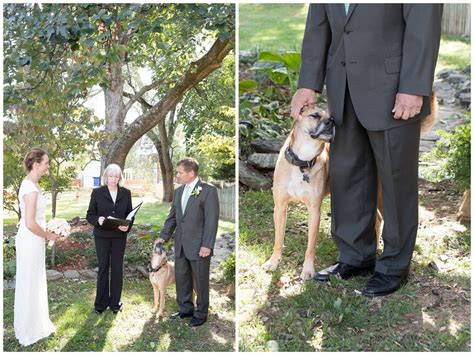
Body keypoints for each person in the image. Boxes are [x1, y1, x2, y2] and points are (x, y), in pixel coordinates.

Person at [292, 4, 443, 296]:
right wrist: (307, 83)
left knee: (396, 178)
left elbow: (424, 22)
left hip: (394, 86)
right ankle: (354, 256)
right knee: (347, 172)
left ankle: (394, 266)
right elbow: (318, 24)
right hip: (342, 87)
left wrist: (413, 86)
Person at [157, 158, 219, 327]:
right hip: (181, 245)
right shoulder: (178, 192)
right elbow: (173, 218)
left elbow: (211, 220)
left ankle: (201, 313)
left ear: (191, 173)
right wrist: (163, 236)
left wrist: (207, 245)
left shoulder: (208, 190)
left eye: (180, 172)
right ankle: (185, 309)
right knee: (182, 278)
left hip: (200, 246)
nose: (177, 175)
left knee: (200, 280)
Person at [14, 148, 59, 346]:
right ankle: (27, 328)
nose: (48, 166)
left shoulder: (33, 185)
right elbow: (30, 223)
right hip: (30, 239)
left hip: (34, 239)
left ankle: (36, 322)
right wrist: (48, 235)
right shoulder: (30, 188)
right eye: (46, 163)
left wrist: (48, 229)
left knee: (35, 281)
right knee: (29, 282)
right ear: (36, 164)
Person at [86, 163, 133, 314]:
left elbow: (129, 215)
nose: (114, 179)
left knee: (117, 269)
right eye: (111, 176)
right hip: (102, 236)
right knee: (103, 267)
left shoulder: (126, 193)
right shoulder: (97, 192)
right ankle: (100, 304)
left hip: (119, 236)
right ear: (106, 177)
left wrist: (128, 225)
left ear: (120, 178)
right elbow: (90, 214)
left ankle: (115, 303)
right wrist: (98, 219)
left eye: (117, 176)